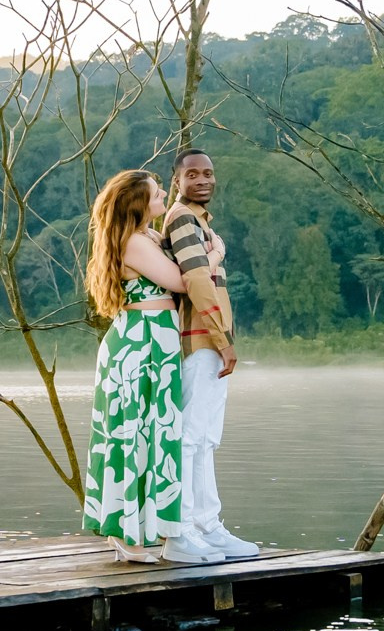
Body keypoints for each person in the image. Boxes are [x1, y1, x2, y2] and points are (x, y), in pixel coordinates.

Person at [82, 169, 189, 563]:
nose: (163, 197)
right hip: (140, 344)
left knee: (151, 435)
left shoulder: (146, 238)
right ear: (139, 205)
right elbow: (180, 281)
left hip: (152, 342)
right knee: (133, 435)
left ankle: (141, 529)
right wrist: (215, 254)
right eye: (156, 194)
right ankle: (126, 535)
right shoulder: (135, 243)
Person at [162, 149, 260, 561]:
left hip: (211, 340)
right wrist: (222, 339)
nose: (203, 180)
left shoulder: (201, 221)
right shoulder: (182, 218)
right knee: (190, 438)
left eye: (209, 173)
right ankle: (180, 531)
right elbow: (197, 280)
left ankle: (208, 526)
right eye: (193, 174)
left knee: (205, 438)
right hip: (199, 337)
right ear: (177, 181)